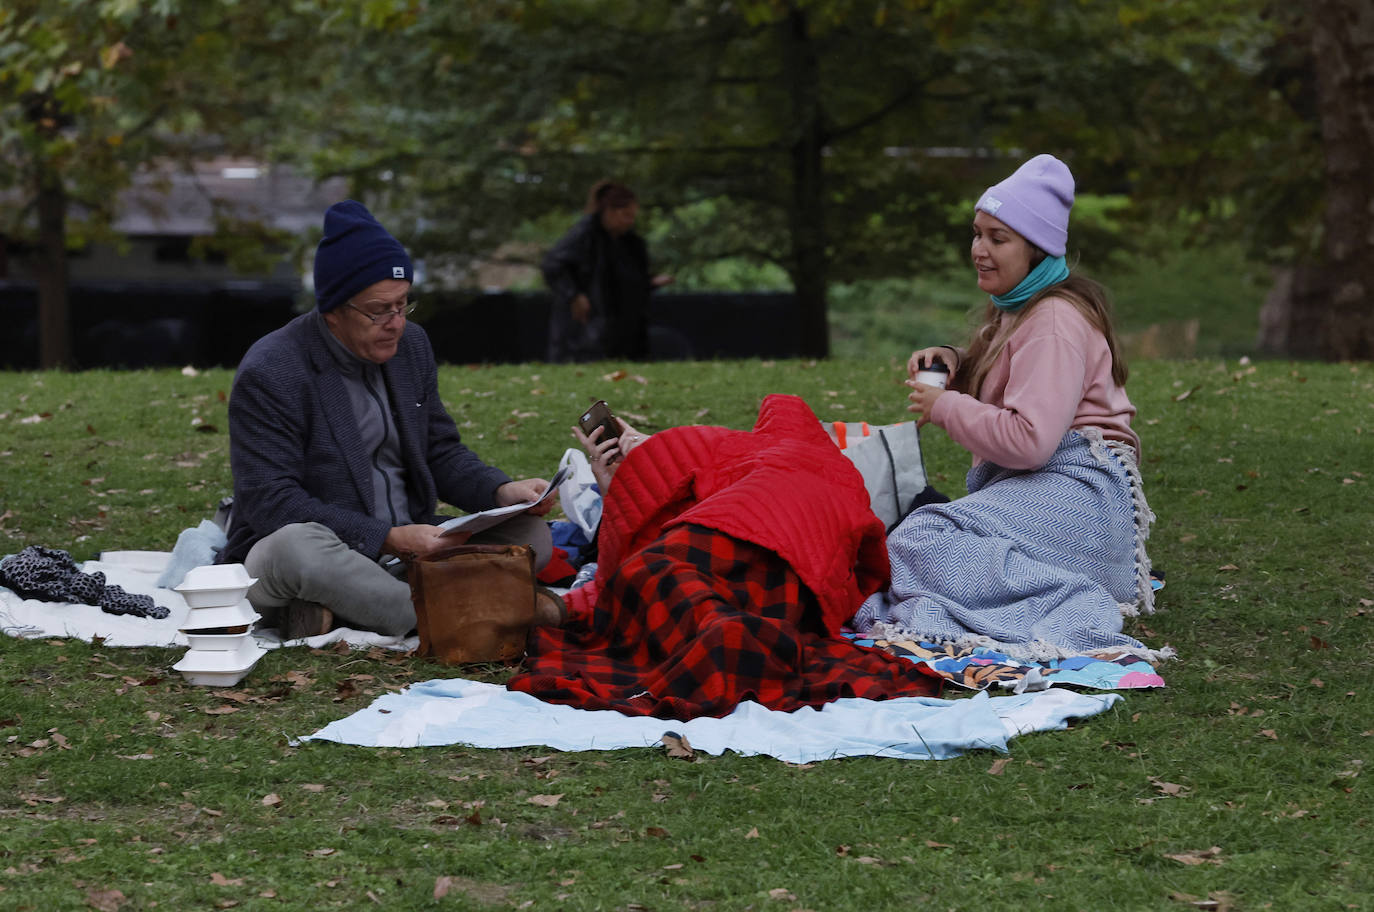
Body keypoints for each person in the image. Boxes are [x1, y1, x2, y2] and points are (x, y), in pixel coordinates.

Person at [852, 154, 1158, 660]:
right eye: (977, 234)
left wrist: (945, 406)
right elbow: (1013, 375)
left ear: (1037, 249)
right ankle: (1045, 580)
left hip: (1082, 497)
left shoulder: (1054, 321)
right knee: (911, 534)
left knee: (919, 539)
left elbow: (1030, 441)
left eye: (998, 239)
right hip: (1055, 493)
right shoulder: (1021, 309)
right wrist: (955, 361)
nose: (980, 250)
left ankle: (1073, 596)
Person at [220, 200, 558, 640]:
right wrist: (387, 536)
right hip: (317, 549)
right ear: (333, 310)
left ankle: (351, 607)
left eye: (403, 305)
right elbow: (272, 502)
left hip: (408, 549)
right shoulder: (273, 369)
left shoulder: (411, 347)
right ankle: (466, 610)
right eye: (379, 311)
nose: (396, 323)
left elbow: (439, 451)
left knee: (532, 534)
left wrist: (500, 491)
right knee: (296, 551)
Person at [505, 394, 942, 720]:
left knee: (657, 573)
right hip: (791, 576)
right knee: (702, 589)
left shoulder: (709, 444)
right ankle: (724, 632)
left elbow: (634, 531)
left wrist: (634, 466)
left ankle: (567, 611)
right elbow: (866, 567)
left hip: (725, 536)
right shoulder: (838, 479)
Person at [541, 179, 673, 362]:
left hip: (622, 332)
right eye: (626, 215)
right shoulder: (583, 235)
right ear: (609, 211)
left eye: (632, 216)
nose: (629, 221)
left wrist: (649, 283)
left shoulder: (630, 243)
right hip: (585, 330)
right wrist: (574, 295)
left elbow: (626, 281)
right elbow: (553, 265)